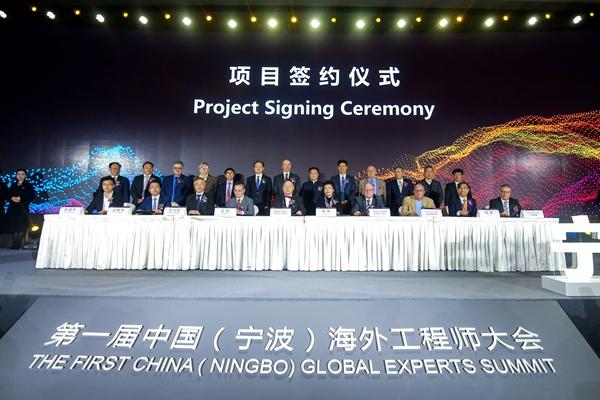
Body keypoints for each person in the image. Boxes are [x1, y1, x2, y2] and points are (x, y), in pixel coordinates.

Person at [6, 169, 35, 249]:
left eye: (22, 174)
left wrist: (21, 198)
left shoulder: (28, 185)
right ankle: (14, 243)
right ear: (16, 175)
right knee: (13, 225)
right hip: (13, 208)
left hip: (23, 208)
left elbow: (31, 195)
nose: (20, 176)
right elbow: (8, 194)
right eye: (18, 174)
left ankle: (18, 244)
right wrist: (11, 198)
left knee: (21, 225)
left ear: (25, 176)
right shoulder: (13, 184)